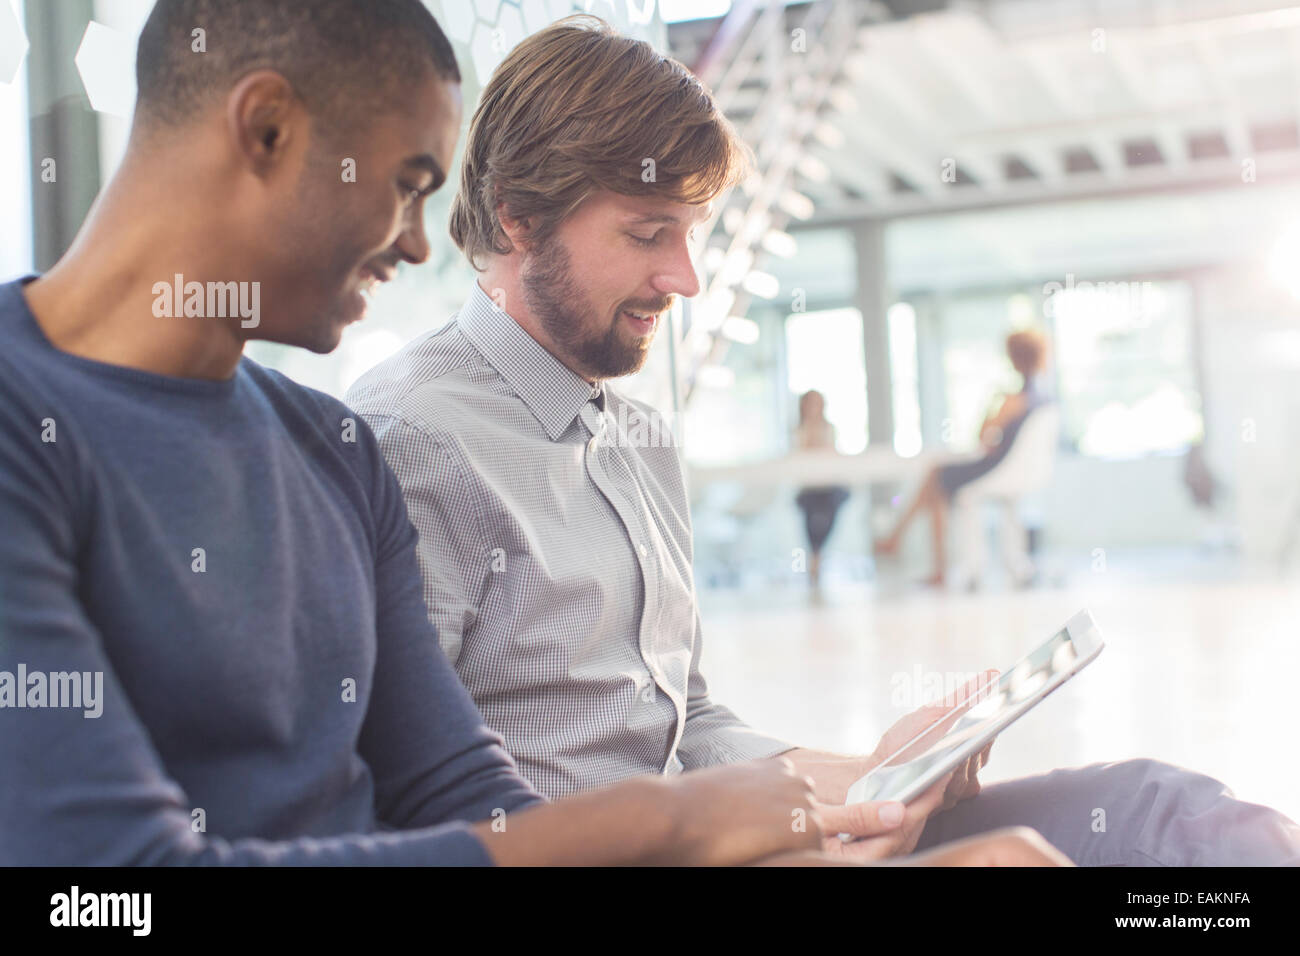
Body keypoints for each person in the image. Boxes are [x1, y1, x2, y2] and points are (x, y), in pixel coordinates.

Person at [347, 15, 1300, 865]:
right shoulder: (411, 442)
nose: (682, 279)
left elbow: (690, 723)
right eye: (647, 235)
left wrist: (874, 775)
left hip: (743, 839)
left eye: (692, 234)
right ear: (518, 215)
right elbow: (410, 808)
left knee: (1161, 812)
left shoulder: (635, 436)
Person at [0, 0, 839, 868]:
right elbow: (103, 890)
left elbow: (461, 797)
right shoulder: (25, 422)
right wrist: (669, 823)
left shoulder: (332, 449)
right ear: (267, 130)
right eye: (404, 185)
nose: (414, 244)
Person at [874, 329, 1051, 588]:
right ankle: (903, 540)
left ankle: (919, 553)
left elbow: (983, 437)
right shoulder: (1043, 398)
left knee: (936, 476)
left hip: (996, 469)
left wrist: (993, 402)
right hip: (1011, 469)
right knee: (937, 477)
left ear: (1014, 358)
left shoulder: (1013, 399)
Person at [793, 389, 850, 592]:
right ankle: (814, 560)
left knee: (826, 517)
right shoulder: (799, 430)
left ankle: (817, 559)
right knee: (811, 521)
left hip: (829, 487)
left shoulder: (829, 429)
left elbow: (832, 456)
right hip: (809, 489)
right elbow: (799, 456)